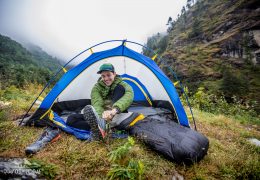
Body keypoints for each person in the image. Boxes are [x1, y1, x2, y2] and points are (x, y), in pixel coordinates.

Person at [83, 63, 134, 140]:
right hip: (103, 115)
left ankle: (101, 128)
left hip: (116, 112)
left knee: (120, 88)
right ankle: (102, 127)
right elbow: (97, 104)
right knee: (71, 119)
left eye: (108, 75)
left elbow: (129, 95)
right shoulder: (96, 88)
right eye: (103, 76)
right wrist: (101, 119)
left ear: (114, 74)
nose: (106, 79)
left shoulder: (123, 84)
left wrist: (113, 110)